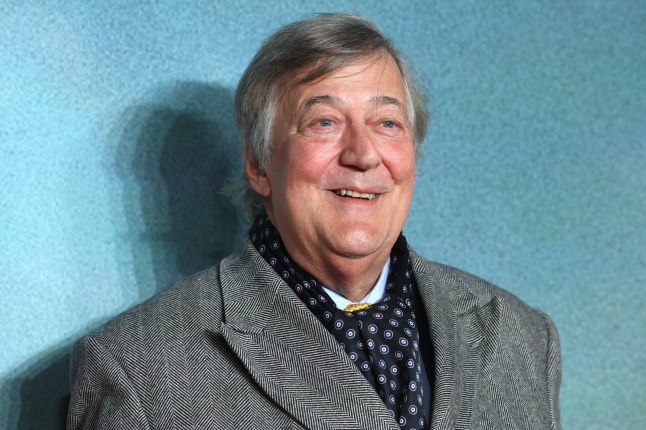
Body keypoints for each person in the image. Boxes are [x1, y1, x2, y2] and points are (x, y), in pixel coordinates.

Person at [68, 13, 561, 430]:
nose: (364, 154)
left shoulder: (522, 338)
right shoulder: (138, 370)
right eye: (324, 121)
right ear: (259, 165)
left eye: (387, 123)